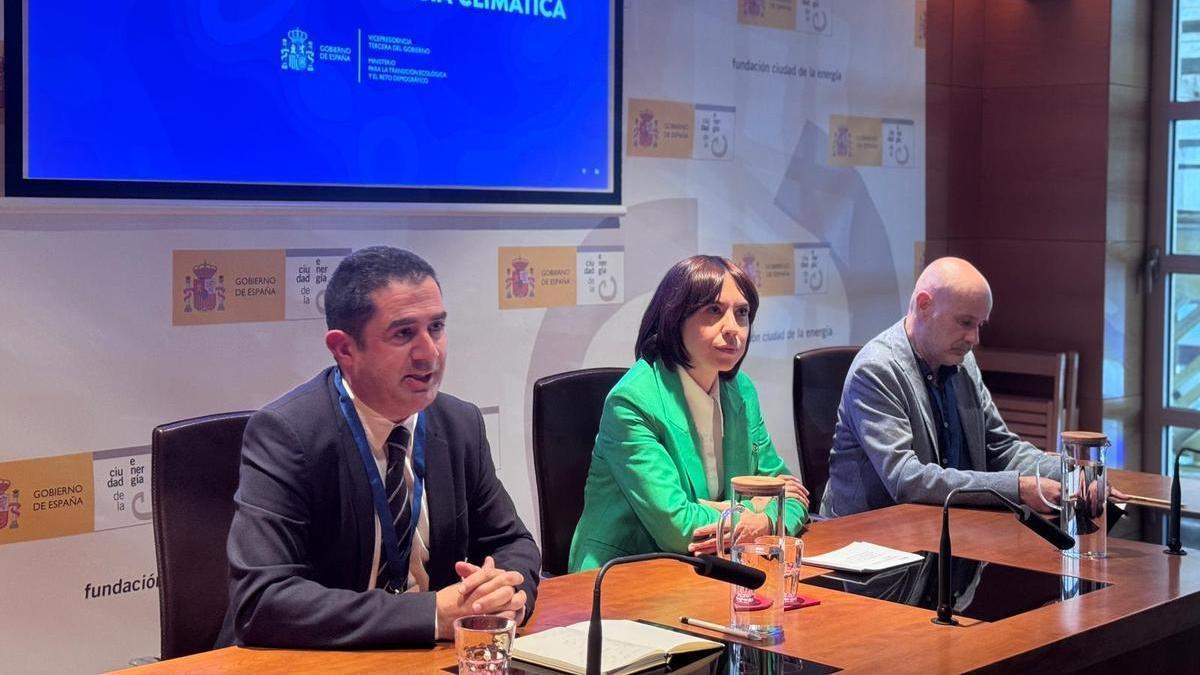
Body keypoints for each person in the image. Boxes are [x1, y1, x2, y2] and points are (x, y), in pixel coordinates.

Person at [217, 246, 539, 648]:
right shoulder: (288, 434)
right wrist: (431, 615)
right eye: (404, 333)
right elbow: (262, 601)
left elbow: (512, 543)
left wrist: (506, 592)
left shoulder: (460, 424)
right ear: (344, 349)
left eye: (436, 327)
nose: (430, 352)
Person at [568, 255, 809, 572]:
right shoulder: (633, 401)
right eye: (714, 311)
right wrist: (750, 512)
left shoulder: (741, 391)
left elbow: (790, 495)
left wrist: (761, 519)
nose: (733, 329)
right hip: (626, 574)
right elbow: (678, 527)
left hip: (714, 567)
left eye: (742, 314)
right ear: (675, 317)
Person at [822, 256, 1063, 517]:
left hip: (944, 527)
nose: (974, 338)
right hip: (872, 539)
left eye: (979, 325)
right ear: (924, 305)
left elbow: (1001, 449)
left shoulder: (963, 362)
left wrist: (1075, 474)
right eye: (965, 322)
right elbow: (906, 479)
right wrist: (1017, 488)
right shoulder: (876, 369)